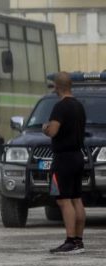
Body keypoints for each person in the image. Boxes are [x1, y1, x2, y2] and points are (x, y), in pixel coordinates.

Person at [44, 71, 87, 255]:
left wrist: (45, 127)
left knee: (63, 200)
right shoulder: (79, 106)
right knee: (76, 198)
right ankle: (78, 240)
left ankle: (69, 240)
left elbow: (53, 131)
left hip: (63, 158)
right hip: (78, 156)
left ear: (56, 87)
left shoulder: (60, 107)